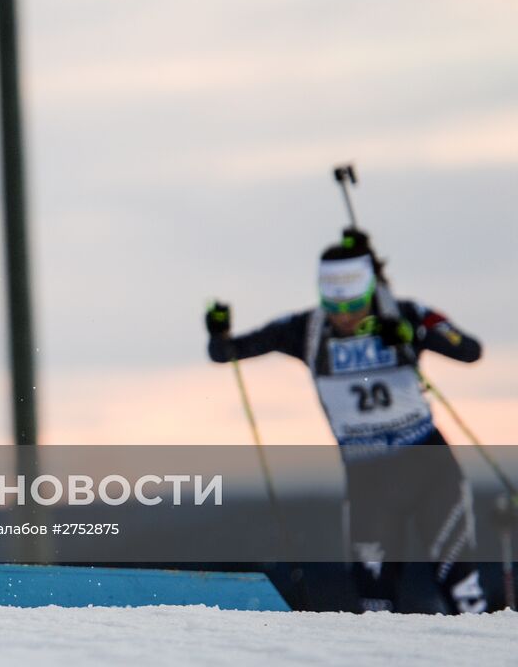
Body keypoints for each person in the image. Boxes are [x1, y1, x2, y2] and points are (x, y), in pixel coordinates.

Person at [205, 230, 487, 614]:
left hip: (429, 467)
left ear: (369, 293)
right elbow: (227, 353)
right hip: (369, 480)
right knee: (374, 604)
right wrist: (218, 332)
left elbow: (469, 350)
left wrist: (413, 335)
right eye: (334, 306)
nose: (344, 317)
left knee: (463, 592)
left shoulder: (403, 314)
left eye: (354, 306)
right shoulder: (308, 328)